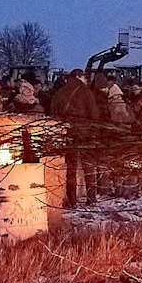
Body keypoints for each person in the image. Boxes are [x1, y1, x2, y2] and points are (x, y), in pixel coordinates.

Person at [49, 68, 103, 206]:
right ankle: (91, 198)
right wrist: (95, 132)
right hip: (85, 134)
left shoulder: (59, 93)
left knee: (71, 167)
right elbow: (94, 114)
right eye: (84, 76)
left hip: (68, 133)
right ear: (79, 76)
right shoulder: (86, 92)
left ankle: (71, 199)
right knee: (89, 166)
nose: (86, 79)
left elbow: (53, 114)